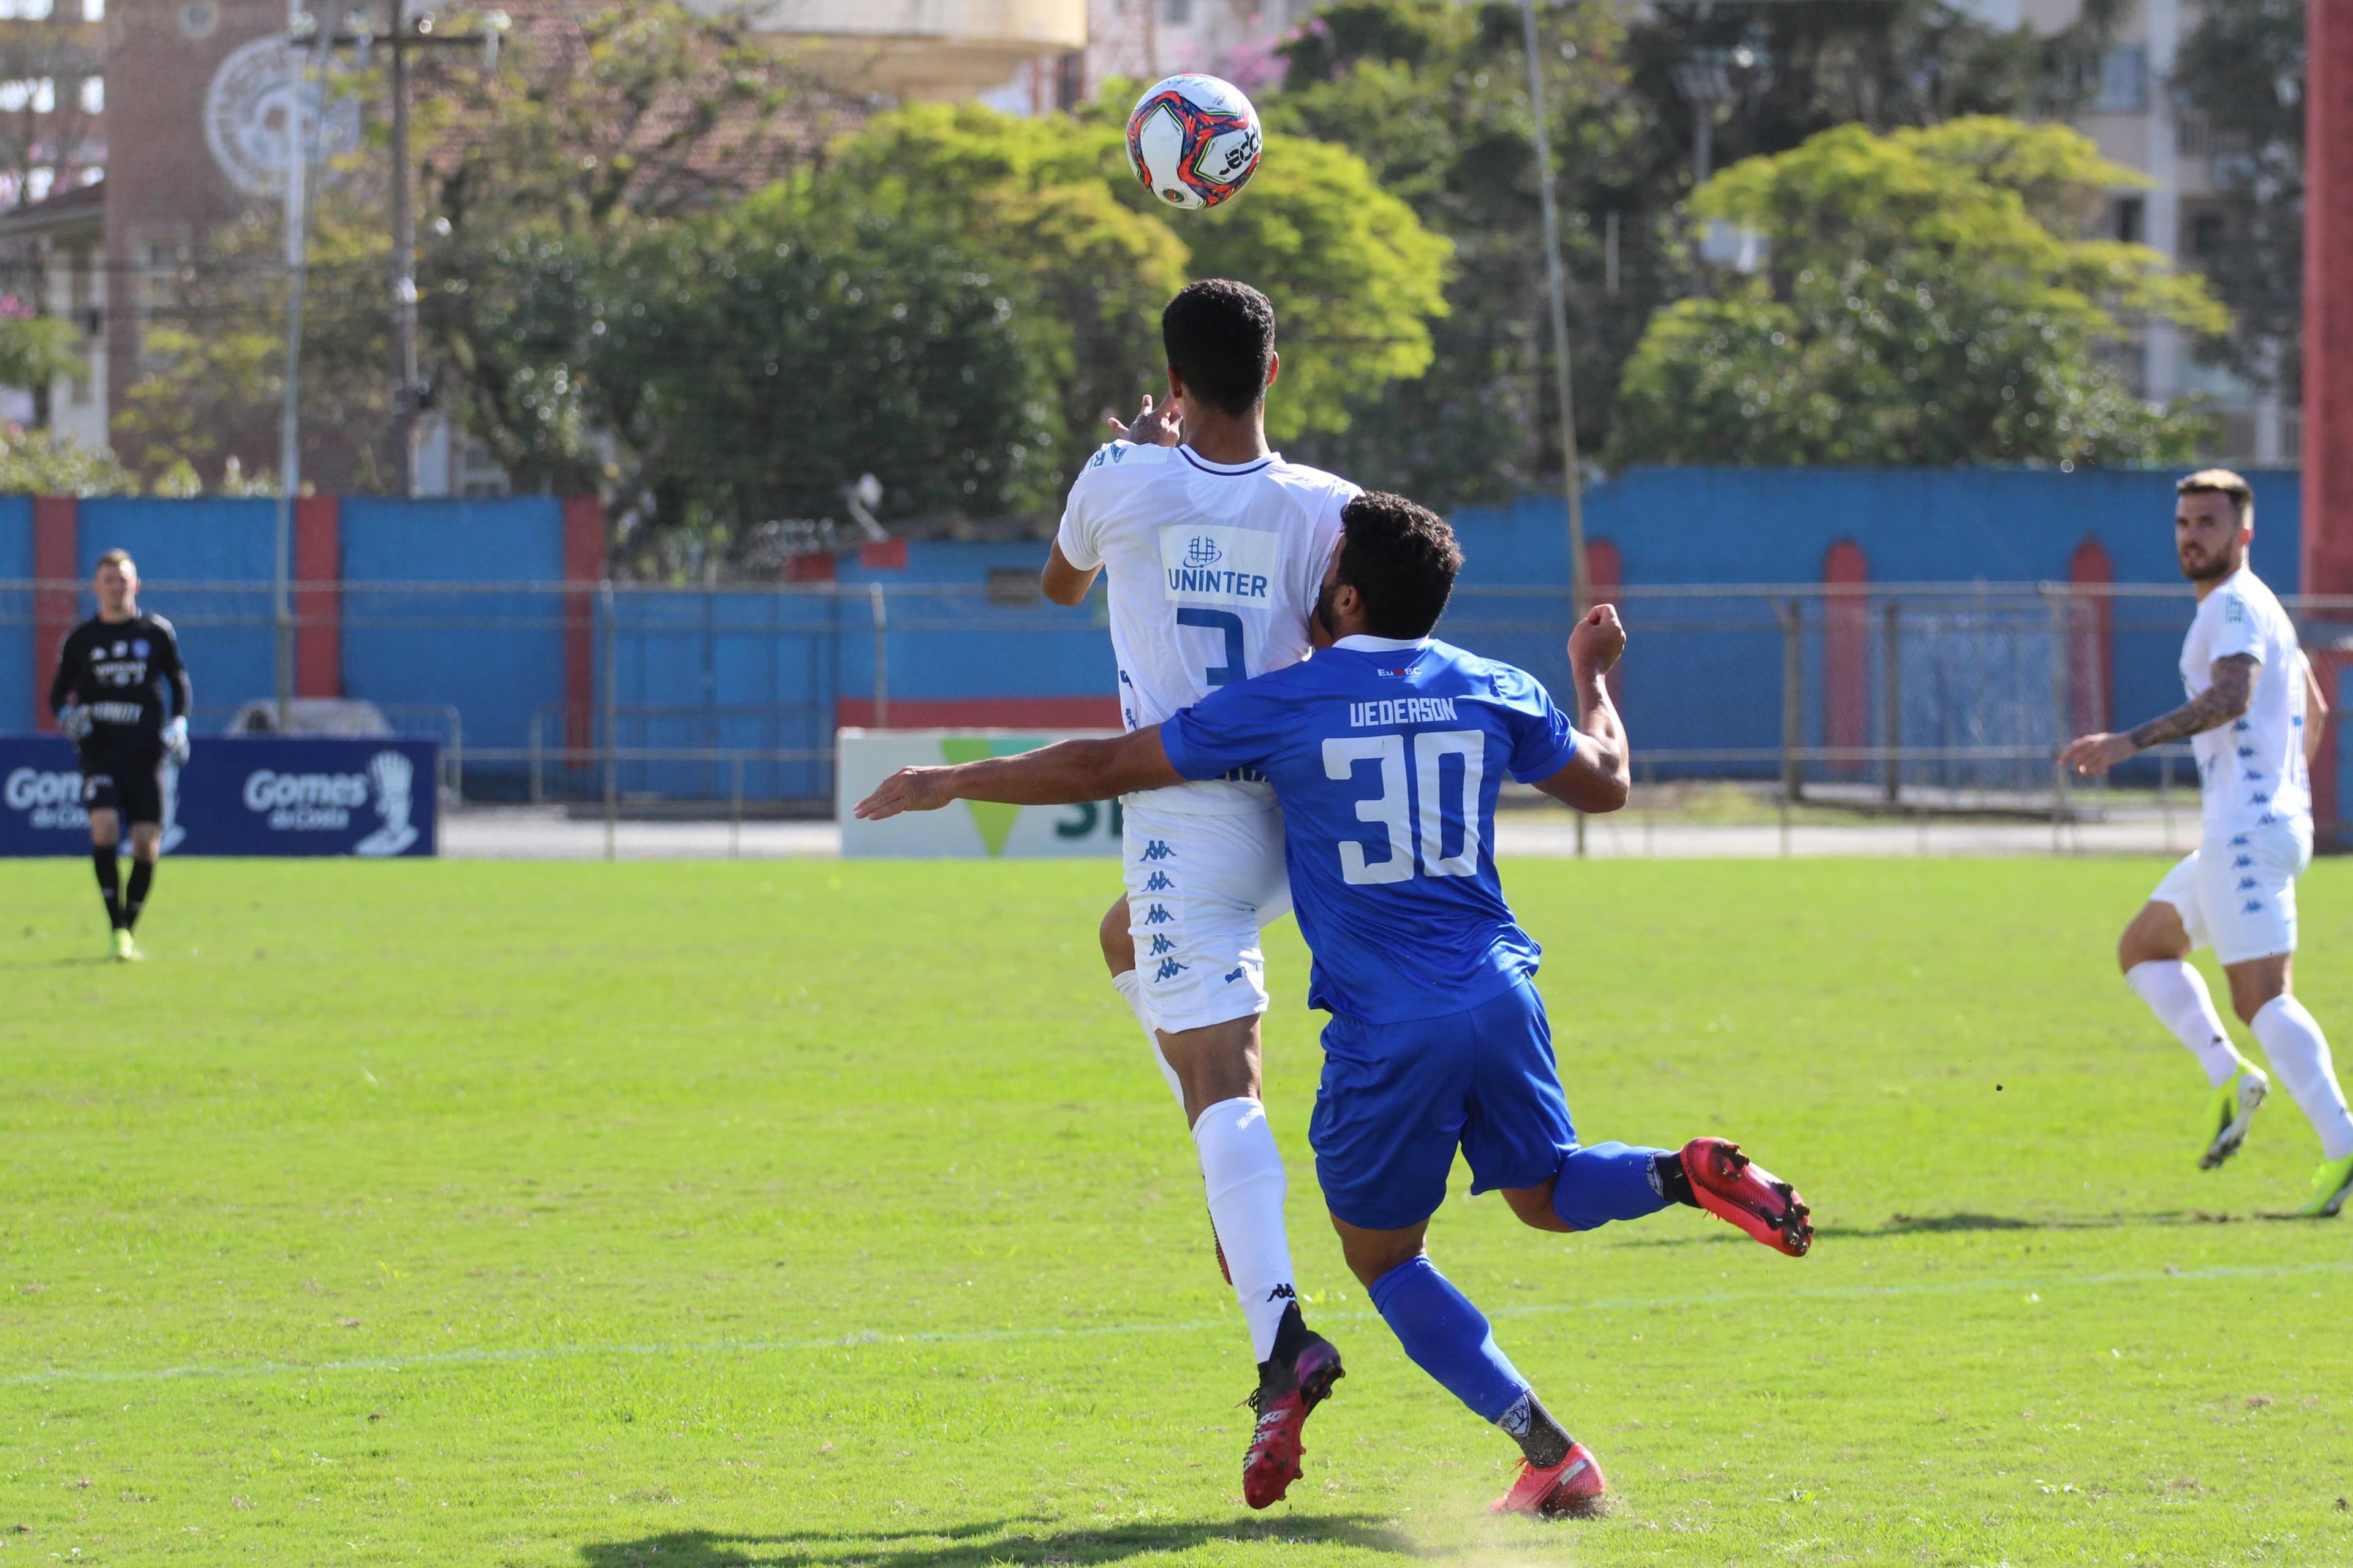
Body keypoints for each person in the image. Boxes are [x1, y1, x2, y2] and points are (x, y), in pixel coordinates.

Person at [860, 493, 1812, 1517]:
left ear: (1345, 595)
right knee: (1544, 1191)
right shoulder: (1494, 685)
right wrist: (1592, 676)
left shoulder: (1288, 700)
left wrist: (951, 777)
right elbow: (1610, 779)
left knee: (1387, 1259)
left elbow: (1104, 763)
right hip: (1501, 991)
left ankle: (1552, 1454)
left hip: (1391, 1025)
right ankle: (1683, 1172)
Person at [1041, 279, 1359, 1507]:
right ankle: (1246, 1191)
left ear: (1173, 381)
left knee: (1220, 1084)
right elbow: (1344, 639)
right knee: (1129, 950)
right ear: (1274, 371)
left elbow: (1060, 588)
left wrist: (1146, 465)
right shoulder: (1329, 506)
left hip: (1186, 815)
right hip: (1294, 811)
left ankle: (1282, 1347)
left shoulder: (1118, 476)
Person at [2063, 469, 2353, 1219]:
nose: (2193, 535)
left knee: (2263, 997)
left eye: (2210, 524)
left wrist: (2129, 741)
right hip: (2263, 827)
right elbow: (2315, 707)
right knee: (2144, 948)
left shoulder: (2231, 605)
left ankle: (2343, 1144)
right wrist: (2284, 794)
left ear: (2243, 534)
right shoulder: (2263, 607)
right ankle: (2230, 1077)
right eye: (2185, 522)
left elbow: (2232, 697)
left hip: (2246, 833)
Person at [48, 548, 192, 963]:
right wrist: (66, 715)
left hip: (147, 754)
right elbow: (57, 693)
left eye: (124, 579)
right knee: (105, 829)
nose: (117, 586)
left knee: (147, 845)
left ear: (136, 585)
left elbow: (179, 682)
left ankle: (128, 925)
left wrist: (180, 723)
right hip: (101, 752)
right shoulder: (81, 639)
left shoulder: (156, 632)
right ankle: (116, 929)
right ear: (96, 587)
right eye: (109, 579)